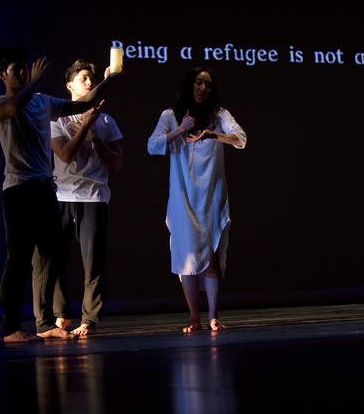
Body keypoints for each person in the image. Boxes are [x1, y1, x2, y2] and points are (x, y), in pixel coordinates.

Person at [0, 46, 120, 343]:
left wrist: (109, 80)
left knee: (51, 257)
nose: (23, 71)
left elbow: (84, 101)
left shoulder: (42, 102)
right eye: (16, 69)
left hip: (45, 187)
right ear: (1, 75)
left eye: (25, 67)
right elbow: (11, 110)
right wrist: (32, 83)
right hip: (18, 190)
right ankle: (11, 329)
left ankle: (45, 325)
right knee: (19, 259)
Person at [147, 67, 247, 332]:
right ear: (189, 85)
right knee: (187, 258)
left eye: (208, 85)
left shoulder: (219, 115)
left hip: (211, 195)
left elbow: (241, 139)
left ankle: (213, 315)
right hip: (183, 198)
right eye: (198, 83)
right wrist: (180, 129)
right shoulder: (170, 115)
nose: (203, 88)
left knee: (212, 256)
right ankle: (194, 317)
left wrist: (213, 135)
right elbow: (153, 146)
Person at [44, 59, 124, 337]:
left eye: (92, 78)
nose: (89, 82)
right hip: (61, 197)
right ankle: (61, 316)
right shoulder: (57, 120)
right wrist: (83, 128)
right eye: (83, 78)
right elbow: (64, 154)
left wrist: (95, 136)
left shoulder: (107, 121)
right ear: (69, 86)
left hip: (95, 198)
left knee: (93, 263)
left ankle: (89, 320)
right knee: (54, 260)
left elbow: (116, 164)